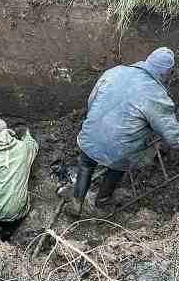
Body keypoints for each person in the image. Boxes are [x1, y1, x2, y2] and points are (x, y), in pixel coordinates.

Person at [66, 47, 179, 217]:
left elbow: (92, 101)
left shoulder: (115, 72)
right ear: (167, 73)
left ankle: (76, 201)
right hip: (119, 150)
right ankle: (102, 201)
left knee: (86, 164)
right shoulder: (156, 95)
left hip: (90, 136)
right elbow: (173, 137)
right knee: (118, 165)